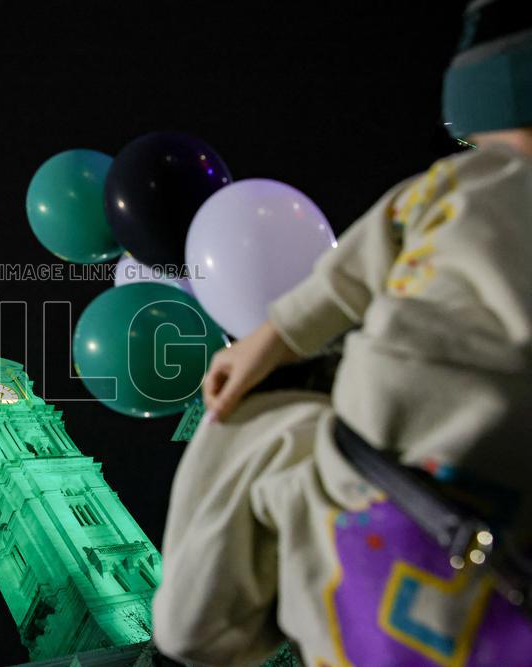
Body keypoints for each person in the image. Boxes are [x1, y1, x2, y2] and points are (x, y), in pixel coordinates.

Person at [152, 2, 532, 664]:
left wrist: (258, 349)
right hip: (486, 530)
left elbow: (335, 284)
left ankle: (203, 618)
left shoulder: (452, 184)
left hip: (367, 494)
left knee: (248, 425)